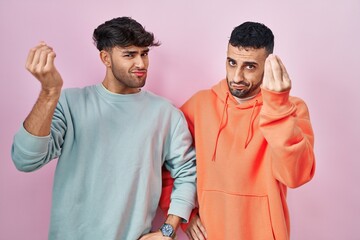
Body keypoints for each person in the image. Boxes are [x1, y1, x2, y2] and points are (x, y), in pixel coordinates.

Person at [11, 17, 197, 240]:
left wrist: (168, 230)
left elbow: (187, 174)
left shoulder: (166, 114)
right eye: (129, 55)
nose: (141, 63)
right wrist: (50, 93)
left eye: (144, 53)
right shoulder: (70, 103)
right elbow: (25, 159)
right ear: (105, 58)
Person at [160, 21, 316, 240]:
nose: (236, 77)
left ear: (268, 64)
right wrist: (187, 215)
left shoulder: (291, 109)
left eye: (250, 66)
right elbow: (166, 164)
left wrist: (278, 108)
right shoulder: (200, 105)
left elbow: (296, 176)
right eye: (231, 63)